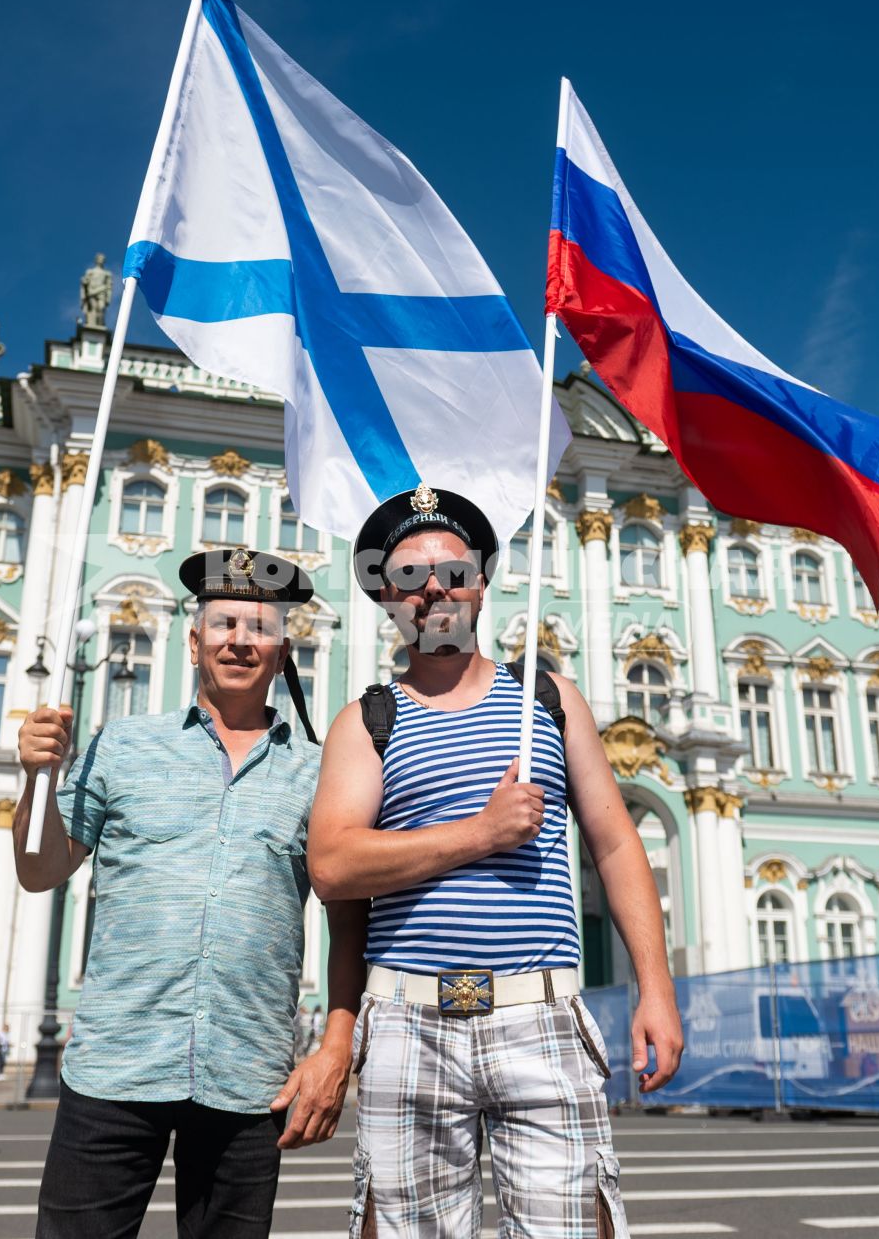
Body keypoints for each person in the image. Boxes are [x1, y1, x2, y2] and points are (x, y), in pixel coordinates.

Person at [309, 484, 686, 1238]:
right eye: (410, 578)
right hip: (409, 1017)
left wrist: (656, 987)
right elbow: (333, 865)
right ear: (389, 596)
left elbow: (614, 840)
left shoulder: (548, 699)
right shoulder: (366, 720)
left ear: (482, 581)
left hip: (540, 1012)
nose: (434, 589)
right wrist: (479, 834)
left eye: (452, 570)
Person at [16, 547, 365, 1239]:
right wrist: (34, 779)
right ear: (193, 638)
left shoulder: (319, 771)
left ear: (283, 648)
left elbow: (350, 924)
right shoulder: (121, 744)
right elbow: (40, 869)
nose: (239, 638)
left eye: (258, 625)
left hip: (248, 1073)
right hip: (117, 1063)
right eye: (224, 622)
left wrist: (335, 1047)